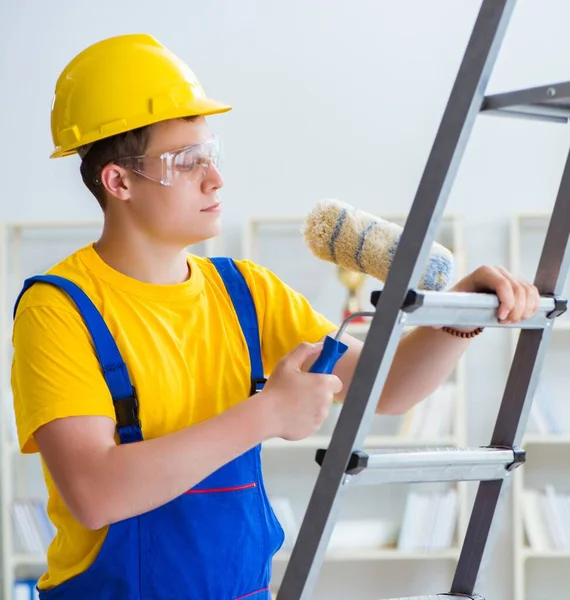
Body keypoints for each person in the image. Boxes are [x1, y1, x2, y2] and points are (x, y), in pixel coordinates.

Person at [10, 33, 541, 600]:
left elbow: (387, 388)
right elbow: (94, 493)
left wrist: (461, 310)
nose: (215, 179)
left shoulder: (245, 292)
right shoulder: (60, 307)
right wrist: (267, 414)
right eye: (186, 162)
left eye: (211, 156)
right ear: (118, 181)